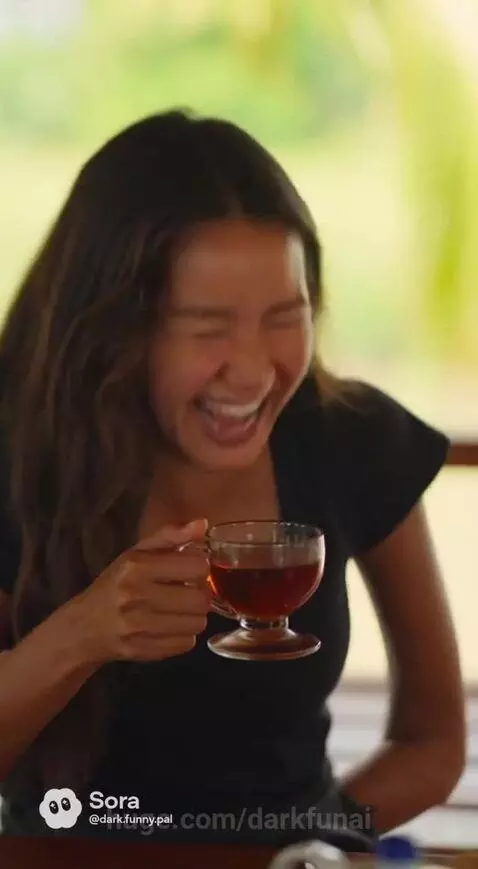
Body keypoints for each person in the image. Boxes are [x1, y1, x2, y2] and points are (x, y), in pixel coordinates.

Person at [0, 109, 465, 849]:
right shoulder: (18, 449)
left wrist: (305, 846)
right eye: (208, 326)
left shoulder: (349, 437)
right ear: (111, 329)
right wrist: (83, 633)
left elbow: (433, 744)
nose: (252, 372)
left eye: (285, 316)